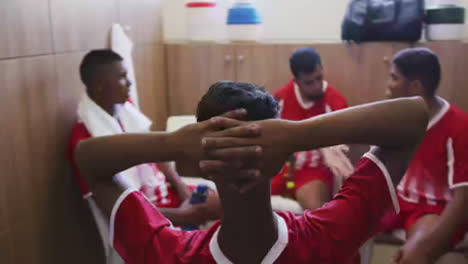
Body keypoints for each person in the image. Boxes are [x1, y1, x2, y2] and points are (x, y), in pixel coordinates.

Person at [75, 81, 428, 264]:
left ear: (202, 164)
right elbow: (412, 118)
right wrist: (296, 135)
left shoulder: (168, 253)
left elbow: (89, 160)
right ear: (279, 162)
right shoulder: (327, 238)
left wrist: (174, 145)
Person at [67, 49, 220, 226]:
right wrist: (183, 216)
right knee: (220, 216)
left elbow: (157, 155)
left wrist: (182, 189)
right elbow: (118, 212)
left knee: (223, 200)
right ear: (99, 85)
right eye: (122, 77)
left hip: (166, 198)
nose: (129, 83)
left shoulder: (123, 110)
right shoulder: (85, 141)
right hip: (148, 218)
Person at [380, 47, 468, 263]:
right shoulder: (398, 118)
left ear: (416, 86)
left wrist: (425, 247)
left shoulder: (459, 126)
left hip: (432, 208)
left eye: (394, 78)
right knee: (342, 231)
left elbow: (463, 200)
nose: (389, 85)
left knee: (413, 256)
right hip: (396, 201)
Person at [273, 47, 353, 210]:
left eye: (319, 78)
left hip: (314, 169)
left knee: (315, 211)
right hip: (282, 166)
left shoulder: (335, 101)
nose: (317, 86)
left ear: (322, 69)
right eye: (309, 83)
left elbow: (343, 144)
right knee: (249, 198)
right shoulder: (281, 98)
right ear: (296, 81)